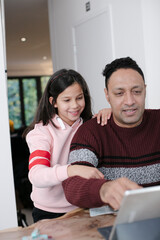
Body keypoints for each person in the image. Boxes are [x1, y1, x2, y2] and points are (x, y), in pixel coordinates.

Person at [63, 56, 160, 211]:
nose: (129, 101)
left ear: (145, 91)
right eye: (119, 93)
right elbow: (72, 185)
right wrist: (104, 189)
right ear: (107, 95)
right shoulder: (90, 132)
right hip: (109, 224)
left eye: (136, 91)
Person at [24, 69, 111, 222]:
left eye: (79, 98)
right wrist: (72, 170)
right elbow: (36, 175)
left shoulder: (90, 126)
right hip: (49, 213)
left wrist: (110, 113)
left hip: (83, 208)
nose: (75, 105)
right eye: (67, 100)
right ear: (53, 102)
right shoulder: (42, 133)